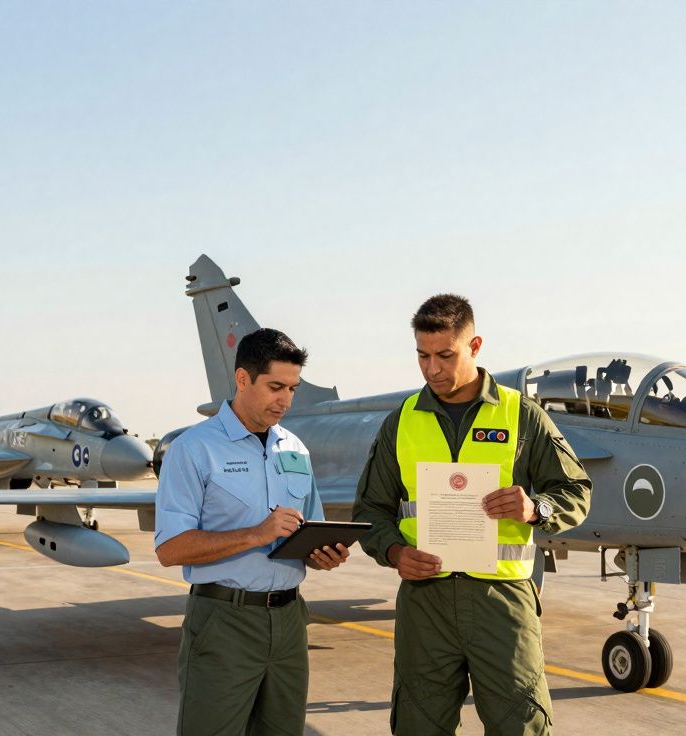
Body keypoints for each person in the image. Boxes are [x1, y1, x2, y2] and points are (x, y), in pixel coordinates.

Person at [352, 294, 592, 735]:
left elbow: (575, 491)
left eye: (445, 355)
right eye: (422, 356)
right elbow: (371, 508)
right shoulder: (401, 422)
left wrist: (535, 508)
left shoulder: (523, 415)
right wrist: (393, 551)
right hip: (426, 603)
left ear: (475, 345)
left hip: (502, 604)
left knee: (521, 727)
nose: (432, 369)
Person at [156, 328, 349, 736]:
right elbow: (170, 548)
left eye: (292, 388)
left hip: (290, 621)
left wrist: (323, 554)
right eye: (275, 386)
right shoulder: (194, 449)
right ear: (243, 379)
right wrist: (255, 534)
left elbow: (308, 526)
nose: (286, 400)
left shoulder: (295, 448)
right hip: (223, 620)